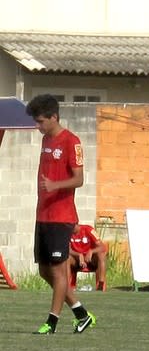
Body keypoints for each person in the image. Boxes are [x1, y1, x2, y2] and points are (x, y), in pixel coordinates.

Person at [26, 94, 96, 334]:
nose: (37, 127)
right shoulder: (46, 139)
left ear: (54, 117)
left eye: (40, 122)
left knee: (58, 271)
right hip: (43, 215)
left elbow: (79, 179)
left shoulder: (71, 141)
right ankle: (81, 314)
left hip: (61, 216)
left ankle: (52, 322)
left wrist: (54, 186)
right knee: (44, 271)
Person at [69, 223, 107, 291]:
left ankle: (101, 283)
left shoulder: (89, 229)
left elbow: (102, 247)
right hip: (77, 260)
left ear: (76, 223)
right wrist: (78, 255)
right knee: (66, 258)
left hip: (91, 259)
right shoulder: (66, 233)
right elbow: (67, 250)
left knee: (101, 255)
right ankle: (67, 286)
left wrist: (91, 251)